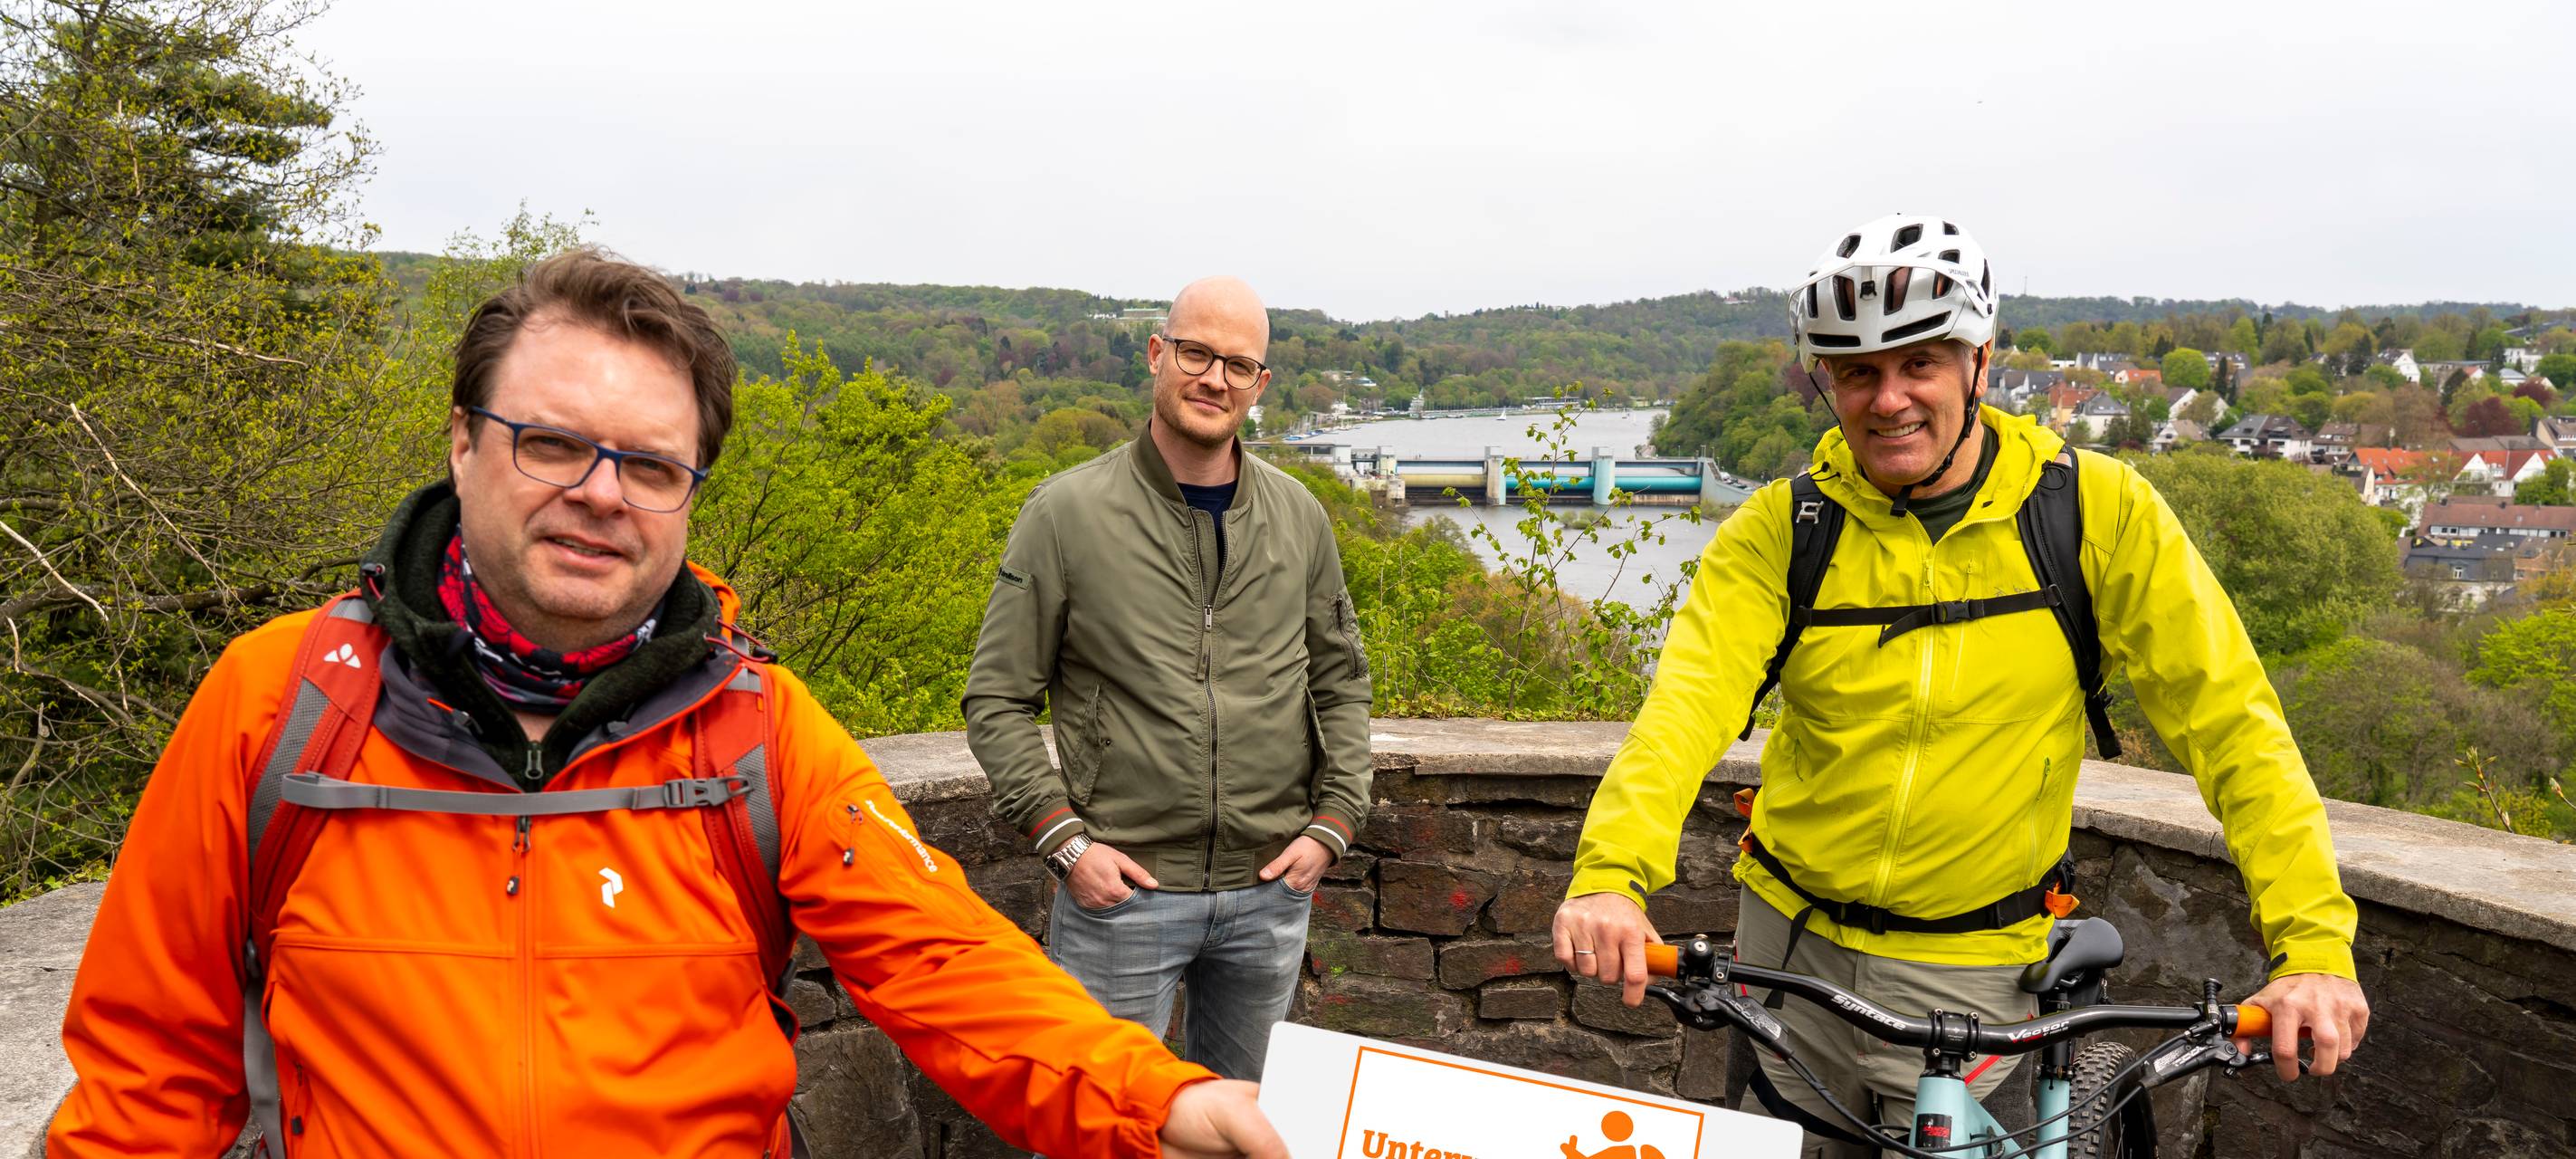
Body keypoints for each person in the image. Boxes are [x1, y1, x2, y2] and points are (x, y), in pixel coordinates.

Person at [48, 249, 1284, 1159]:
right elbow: (151, 1069)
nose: (601, 493)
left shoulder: (757, 730)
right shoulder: (284, 702)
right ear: (463, 445)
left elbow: (944, 960)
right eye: (551, 443)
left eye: (649, 465)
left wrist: (1154, 1097)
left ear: (690, 492)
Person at [1549, 215, 2370, 1156]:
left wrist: (2311, 946)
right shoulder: (1783, 529)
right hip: (1787, 956)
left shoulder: (2094, 512)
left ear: (1980, 362)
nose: (1886, 398)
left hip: (1973, 972)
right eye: (1854, 371)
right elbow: (1681, 712)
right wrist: (1610, 875)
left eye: (1917, 365)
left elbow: (2234, 727)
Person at [966, 274, 1374, 1082]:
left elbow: (1342, 680)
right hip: (1123, 895)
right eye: (1196, 352)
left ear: (1260, 385)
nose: (1214, 378)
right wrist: (1064, 840)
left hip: (1270, 893)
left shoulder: (1299, 516)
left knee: (1246, 1127)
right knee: (1092, 1130)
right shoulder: (1066, 513)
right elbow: (998, 696)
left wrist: (1336, 821)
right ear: (1157, 354)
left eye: (1238, 364)